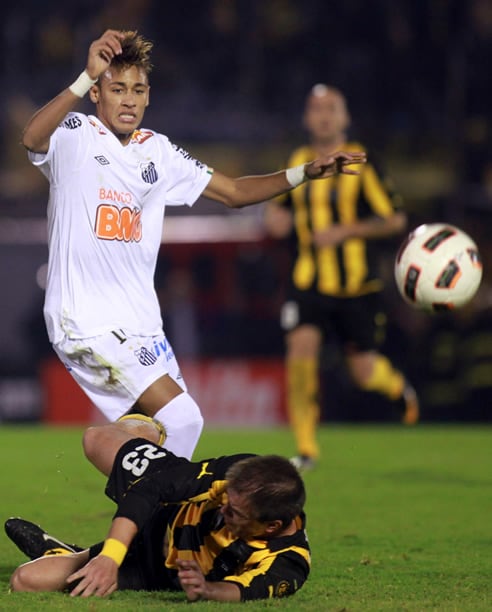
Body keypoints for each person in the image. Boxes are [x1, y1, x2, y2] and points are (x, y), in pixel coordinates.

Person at [22, 30, 366, 460]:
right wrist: (80, 78)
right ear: (96, 93)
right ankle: (147, 522)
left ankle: (132, 520)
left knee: (162, 439)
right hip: (87, 319)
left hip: (142, 324)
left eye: (138, 90)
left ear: (149, 97)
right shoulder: (77, 133)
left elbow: (235, 193)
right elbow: (33, 139)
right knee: (185, 419)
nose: (128, 99)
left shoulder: (159, 153)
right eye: (116, 89)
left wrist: (303, 173)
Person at [264, 84, 419, 471]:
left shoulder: (364, 163)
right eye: (316, 108)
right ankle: (306, 448)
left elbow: (396, 219)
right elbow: (278, 210)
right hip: (308, 284)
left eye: (332, 108)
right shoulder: (298, 160)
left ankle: (397, 388)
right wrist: (275, 219)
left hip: (357, 287)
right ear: (306, 118)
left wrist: (346, 231)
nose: (324, 115)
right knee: (300, 353)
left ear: (345, 118)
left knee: (364, 372)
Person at [5, 421, 310, 602]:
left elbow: (244, 592)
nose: (222, 510)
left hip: (153, 568)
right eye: (225, 500)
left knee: (25, 581)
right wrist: (110, 557)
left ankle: (70, 554)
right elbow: (149, 489)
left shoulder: (289, 563)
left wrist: (206, 589)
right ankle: (149, 428)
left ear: (271, 527)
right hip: (168, 507)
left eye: (235, 514)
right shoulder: (240, 474)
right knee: (95, 438)